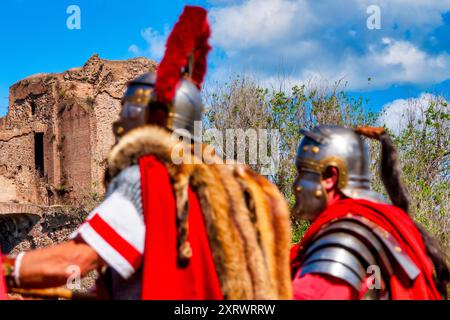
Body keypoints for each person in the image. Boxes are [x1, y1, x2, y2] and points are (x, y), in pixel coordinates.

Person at [2, 6, 292, 300]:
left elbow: (72, 261)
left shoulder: (150, 180)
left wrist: (7, 270)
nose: (118, 125)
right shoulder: (232, 185)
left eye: (125, 114)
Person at [290, 125, 449, 300]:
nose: (296, 185)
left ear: (330, 177)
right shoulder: (382, 222)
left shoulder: (344, 237)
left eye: (302, 173)